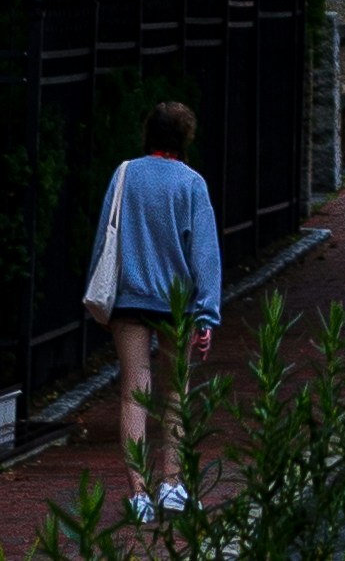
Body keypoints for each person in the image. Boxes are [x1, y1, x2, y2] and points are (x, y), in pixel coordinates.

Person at [83, 98, 222, 520]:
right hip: (176, 304)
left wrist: (100, 299)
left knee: (133, 392)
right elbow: (205, 254)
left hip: (129, 299)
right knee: (176, 392)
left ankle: (139, 493)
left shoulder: (125, 174)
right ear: (185, 137)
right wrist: (207, 314)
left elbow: (105, 236)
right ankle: (172, 486)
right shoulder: (192, 184)